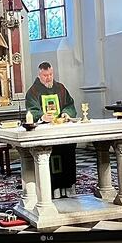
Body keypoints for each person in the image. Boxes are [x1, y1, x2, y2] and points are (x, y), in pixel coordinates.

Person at [25, 61, 77, 197]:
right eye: (45, 75)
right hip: (45, 131)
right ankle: (54, 188)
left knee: (68, 154)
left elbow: (69, 104)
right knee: (53, 157)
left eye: (50, 74)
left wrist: (66, 113)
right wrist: (42, 116)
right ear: (39, 75)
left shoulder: (60, 88)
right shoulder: (33, 92)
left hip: (62, 130)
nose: (48, 78)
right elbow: (31, 110)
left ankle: (68, 186)